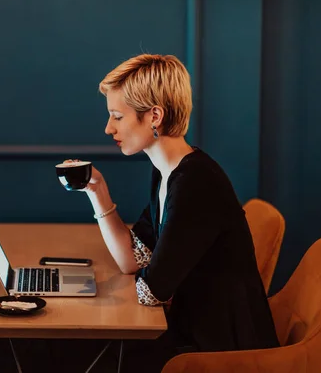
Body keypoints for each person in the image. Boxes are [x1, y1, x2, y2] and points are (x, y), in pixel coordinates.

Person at [74, 54, 280, 371]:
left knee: (76, 354)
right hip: (194, 329)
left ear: (154, 116)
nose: (108, 128)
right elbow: (132, 259)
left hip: (217, 349)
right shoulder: (167, 172)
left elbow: (152, 291)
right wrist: (98, 192)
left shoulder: (195, 182)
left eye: (117, 116)